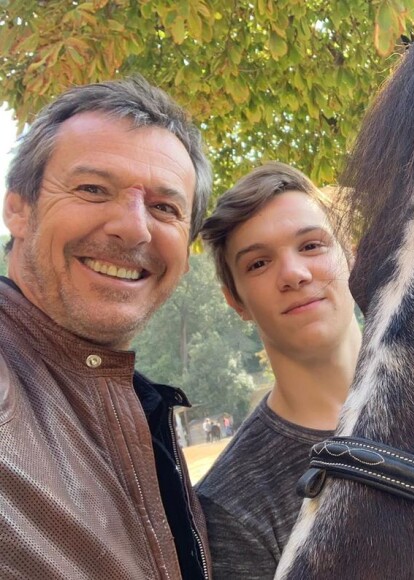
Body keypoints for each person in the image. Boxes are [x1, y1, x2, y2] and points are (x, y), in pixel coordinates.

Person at [0, 77, 213, 580]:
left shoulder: (145, 411)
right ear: (18, 210)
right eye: (93, 189)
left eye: (165, 208)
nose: (134, 227)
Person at [196, 162, 362, 579]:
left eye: (311, 246)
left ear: (353, 255)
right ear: (236, 302)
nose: (293, 274)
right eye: (258, 264)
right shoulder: (232, 503)